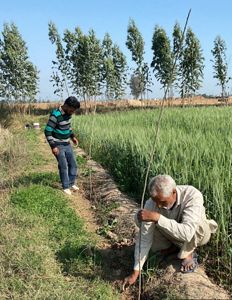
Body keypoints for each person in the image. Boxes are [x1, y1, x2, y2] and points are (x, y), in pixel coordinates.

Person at [124, 174, 218, 286]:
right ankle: (172, 247)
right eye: (156, 201)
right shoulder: (152, 203)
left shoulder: (192, 195)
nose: (158, 205)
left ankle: (188, 252)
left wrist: (157, 218)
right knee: (140, 218)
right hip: (171, 234)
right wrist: (135, 272)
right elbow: (145, 237)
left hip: (196, 235)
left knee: (198, 225)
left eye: (162, 202)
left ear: (174, 192)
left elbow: (187, 233)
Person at [44, 96, 80, 195]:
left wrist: (73, 137)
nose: (73, 112)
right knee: (63, 166)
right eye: (72, 110)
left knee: (73, 164)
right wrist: (53, 146)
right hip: (58, 144)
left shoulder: (68, 114)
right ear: (67, 106)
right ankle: (65, 186)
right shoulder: (55, 115)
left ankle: (71, 183)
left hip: (67, 143)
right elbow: (47, 131)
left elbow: (68, 127)